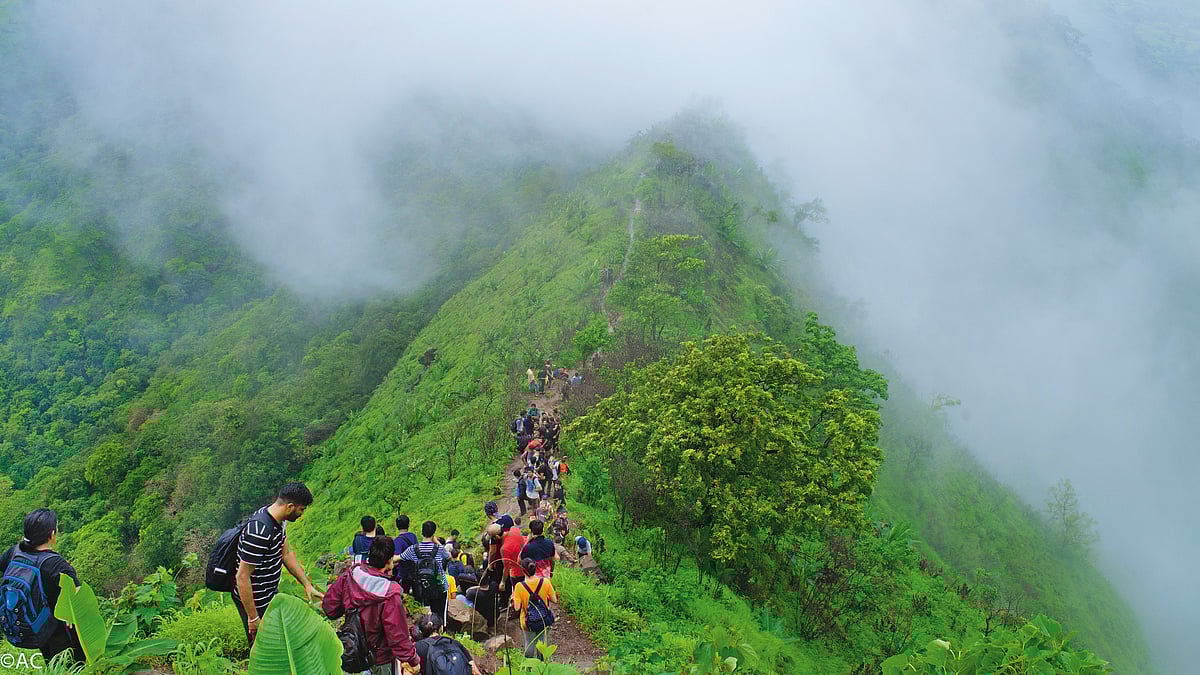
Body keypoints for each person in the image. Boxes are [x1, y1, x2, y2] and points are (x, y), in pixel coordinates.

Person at [234, 482, 323, 645]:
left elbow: (286, 554)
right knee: (264, 648)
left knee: (278, 641)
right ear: (290, 506)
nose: (302, 514)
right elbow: (242, 577)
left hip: (270, 595)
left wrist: (307, 584)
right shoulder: (259, 531)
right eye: (301, 509)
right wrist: (253, 617)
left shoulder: (280, 520)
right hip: (256, 600)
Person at [323, 537, 421, 675]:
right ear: (389, 562)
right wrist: (413, 660)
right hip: (380, 659)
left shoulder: (351, 575)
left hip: (351, 650)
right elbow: (397, 635)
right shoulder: (390, 592)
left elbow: (330, 608)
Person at [0, 509, 82, 664]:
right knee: (73, 666)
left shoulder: (15, 552)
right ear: (52, 534)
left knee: (53, 665)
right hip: (62, 632)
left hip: (37, 626)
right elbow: (79, 596)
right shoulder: (56, 564)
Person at [397, 521, 451, 621]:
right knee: (440, 616)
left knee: (424, 616)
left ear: (422, 532)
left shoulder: (413, 549)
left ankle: (426, 631)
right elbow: (449, 556)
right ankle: (441, 632)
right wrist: (436, 541)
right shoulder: (439, 548)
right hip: (440, 586)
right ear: (434, 533)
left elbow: (398, 558)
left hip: (421, 587)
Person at [511, 558, 557, 659]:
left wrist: (514, 598)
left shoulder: (519, 587)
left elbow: (517, 608)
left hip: (527, 621)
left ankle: (529, 666)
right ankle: (541, 663)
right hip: (543, 618)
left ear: (523, 571)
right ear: (535, 568)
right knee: (542, 641)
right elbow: (554, 600)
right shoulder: (545, 582)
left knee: (529, 641)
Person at [413, 613, 483, 675]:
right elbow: (475, 671)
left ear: (421, 630)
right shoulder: (454, 643)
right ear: (441, 628)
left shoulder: (417, 647)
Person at [499, 517, 527, 608]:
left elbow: (506, 567)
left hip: (516, 573)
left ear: (497, 536)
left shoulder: (504, 549)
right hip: (526, 567)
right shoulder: (514, 530)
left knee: (517, 592)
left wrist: (502, 582)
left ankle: (518, 609)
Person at [392, 514, 419, 591]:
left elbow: (396, 558)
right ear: (408, 524)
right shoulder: (413, 536)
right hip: (415, 571)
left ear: (397, 526)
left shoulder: (397, 541)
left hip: (403, 574)